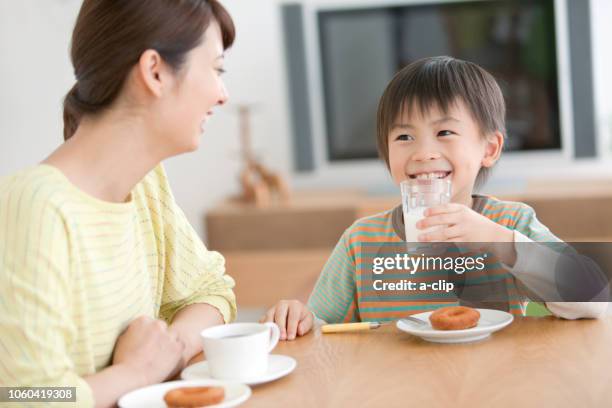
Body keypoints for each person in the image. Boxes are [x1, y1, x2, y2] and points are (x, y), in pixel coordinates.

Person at [262, 56, 607, 341]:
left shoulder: (509, 223)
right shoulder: (360, 241)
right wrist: (299, 319)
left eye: (444, 132)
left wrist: (498, 241)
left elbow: (593, 299)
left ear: (489, 148)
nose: (424, 153)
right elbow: (324, 330)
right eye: (404, 136)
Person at [0, 1, 236, 406]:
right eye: (215, 69)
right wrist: (137, 372)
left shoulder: (145, 185)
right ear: (154, 71)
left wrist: (168, 349)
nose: (222, 94)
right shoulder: (34, 207)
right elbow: (23, 396)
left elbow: (212, 291)